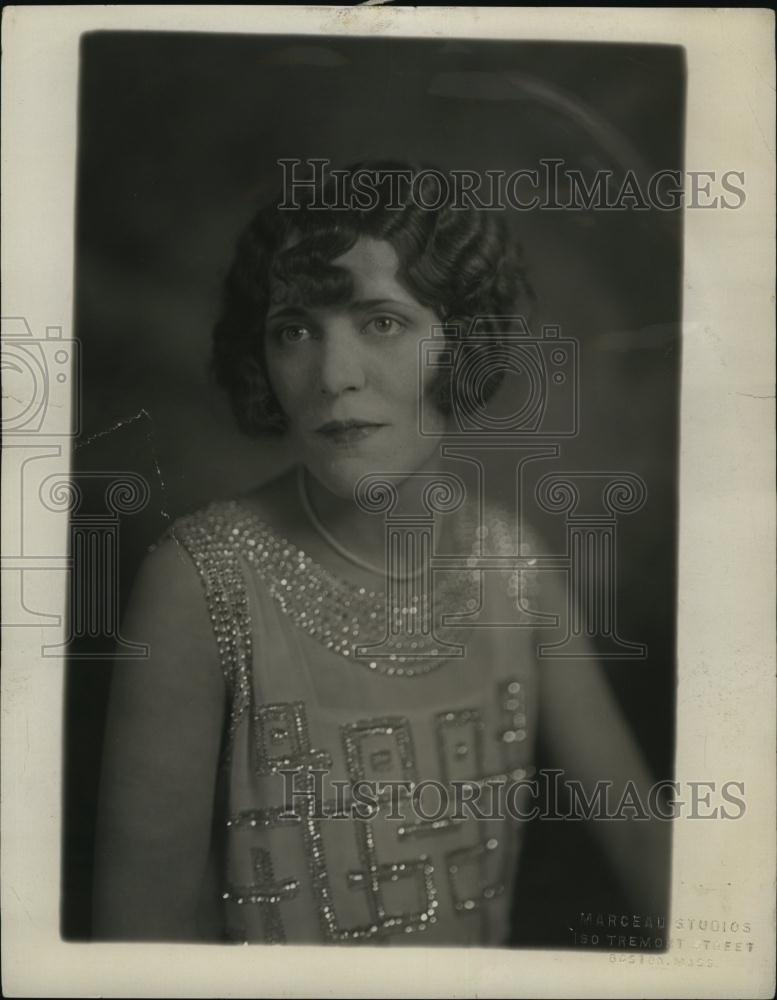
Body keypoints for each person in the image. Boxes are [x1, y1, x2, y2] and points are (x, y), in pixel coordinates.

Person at [93, 162, 668, 945]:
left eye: (382, 322)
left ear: (461, 344)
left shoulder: (513, 566)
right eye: (293, 330)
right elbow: (140, 939)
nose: (333, 376)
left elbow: (641, 836)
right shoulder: (199, 579)